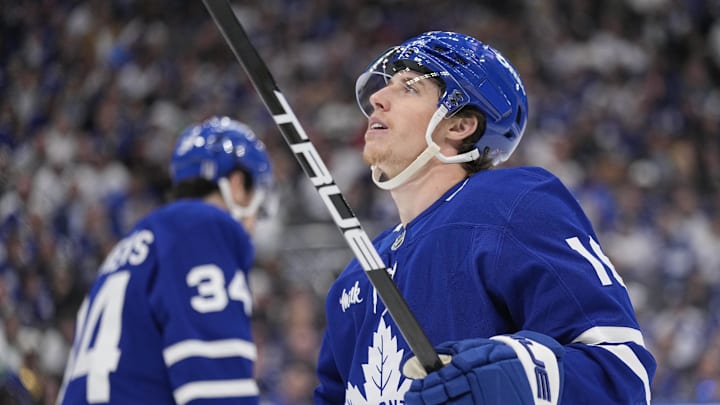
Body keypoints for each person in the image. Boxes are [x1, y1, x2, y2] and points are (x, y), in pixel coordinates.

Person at [314, 31, 656, 404]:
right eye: (387, 86)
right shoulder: (356, 275)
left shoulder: (512, 204)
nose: (377, 99)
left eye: (409, 87)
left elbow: (623, 372)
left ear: (460, 126)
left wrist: (521, 376)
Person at [57, 116, 273, 405]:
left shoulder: (130, 246)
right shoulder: (204, 227)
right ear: (236, 185)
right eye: (256, 205)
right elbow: (217, 389)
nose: (254, 224)